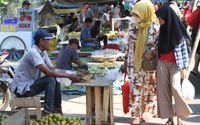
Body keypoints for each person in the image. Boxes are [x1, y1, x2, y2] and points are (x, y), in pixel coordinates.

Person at [11, 29, 80, 115]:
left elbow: (53, 69)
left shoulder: (43, 53)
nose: (50, 43)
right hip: (22, 89)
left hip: (30, 84)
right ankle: (47, 111)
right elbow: (48, 72)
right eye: (48, 40)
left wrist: (71, 73)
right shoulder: (33, 53)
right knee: (50, 79)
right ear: (41, 41)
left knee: (55, 77)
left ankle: (57, 108)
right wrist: (68, 76)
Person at [155, 5, 192, 125]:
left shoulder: (178, 31)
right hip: (161, 63)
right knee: (163, 91)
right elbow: (157, 45)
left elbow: (184, 51)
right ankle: (169, 118)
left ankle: (180, 117)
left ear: (167, 17)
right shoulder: (162, 29)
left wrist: (185, 68)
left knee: (176, 88)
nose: (159, 21)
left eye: (160, 18)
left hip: (176, 64)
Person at [124, 1, 159, 124]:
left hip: (149, 64)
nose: (135, 18)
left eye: (137, 15)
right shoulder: (132, 25)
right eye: (134, 15)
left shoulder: (155, 27)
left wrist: (153, 52)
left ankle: (147, 112)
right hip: (134, 63)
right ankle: (136, 114)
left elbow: (158, 44)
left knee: (149, 88)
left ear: (145, 13)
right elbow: (128, 45)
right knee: (135, 88)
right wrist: (125, 60)